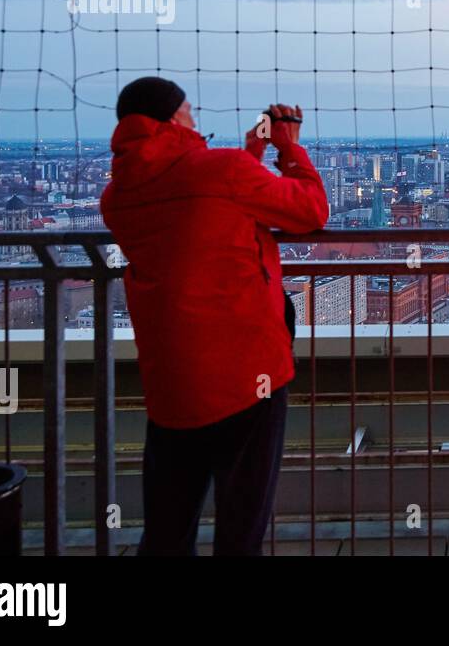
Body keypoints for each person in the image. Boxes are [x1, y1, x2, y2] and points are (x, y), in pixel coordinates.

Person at [100, 77, 329, 555]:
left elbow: (201, 208)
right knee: (240, 527)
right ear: (172, 119)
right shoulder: (220, 171)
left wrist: (251, 150)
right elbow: (310, 211)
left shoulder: (117, 197)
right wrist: (288, 147)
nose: (196, 121)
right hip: (248, 375)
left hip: (173, 383)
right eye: (190, 111)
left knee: (167, 530)